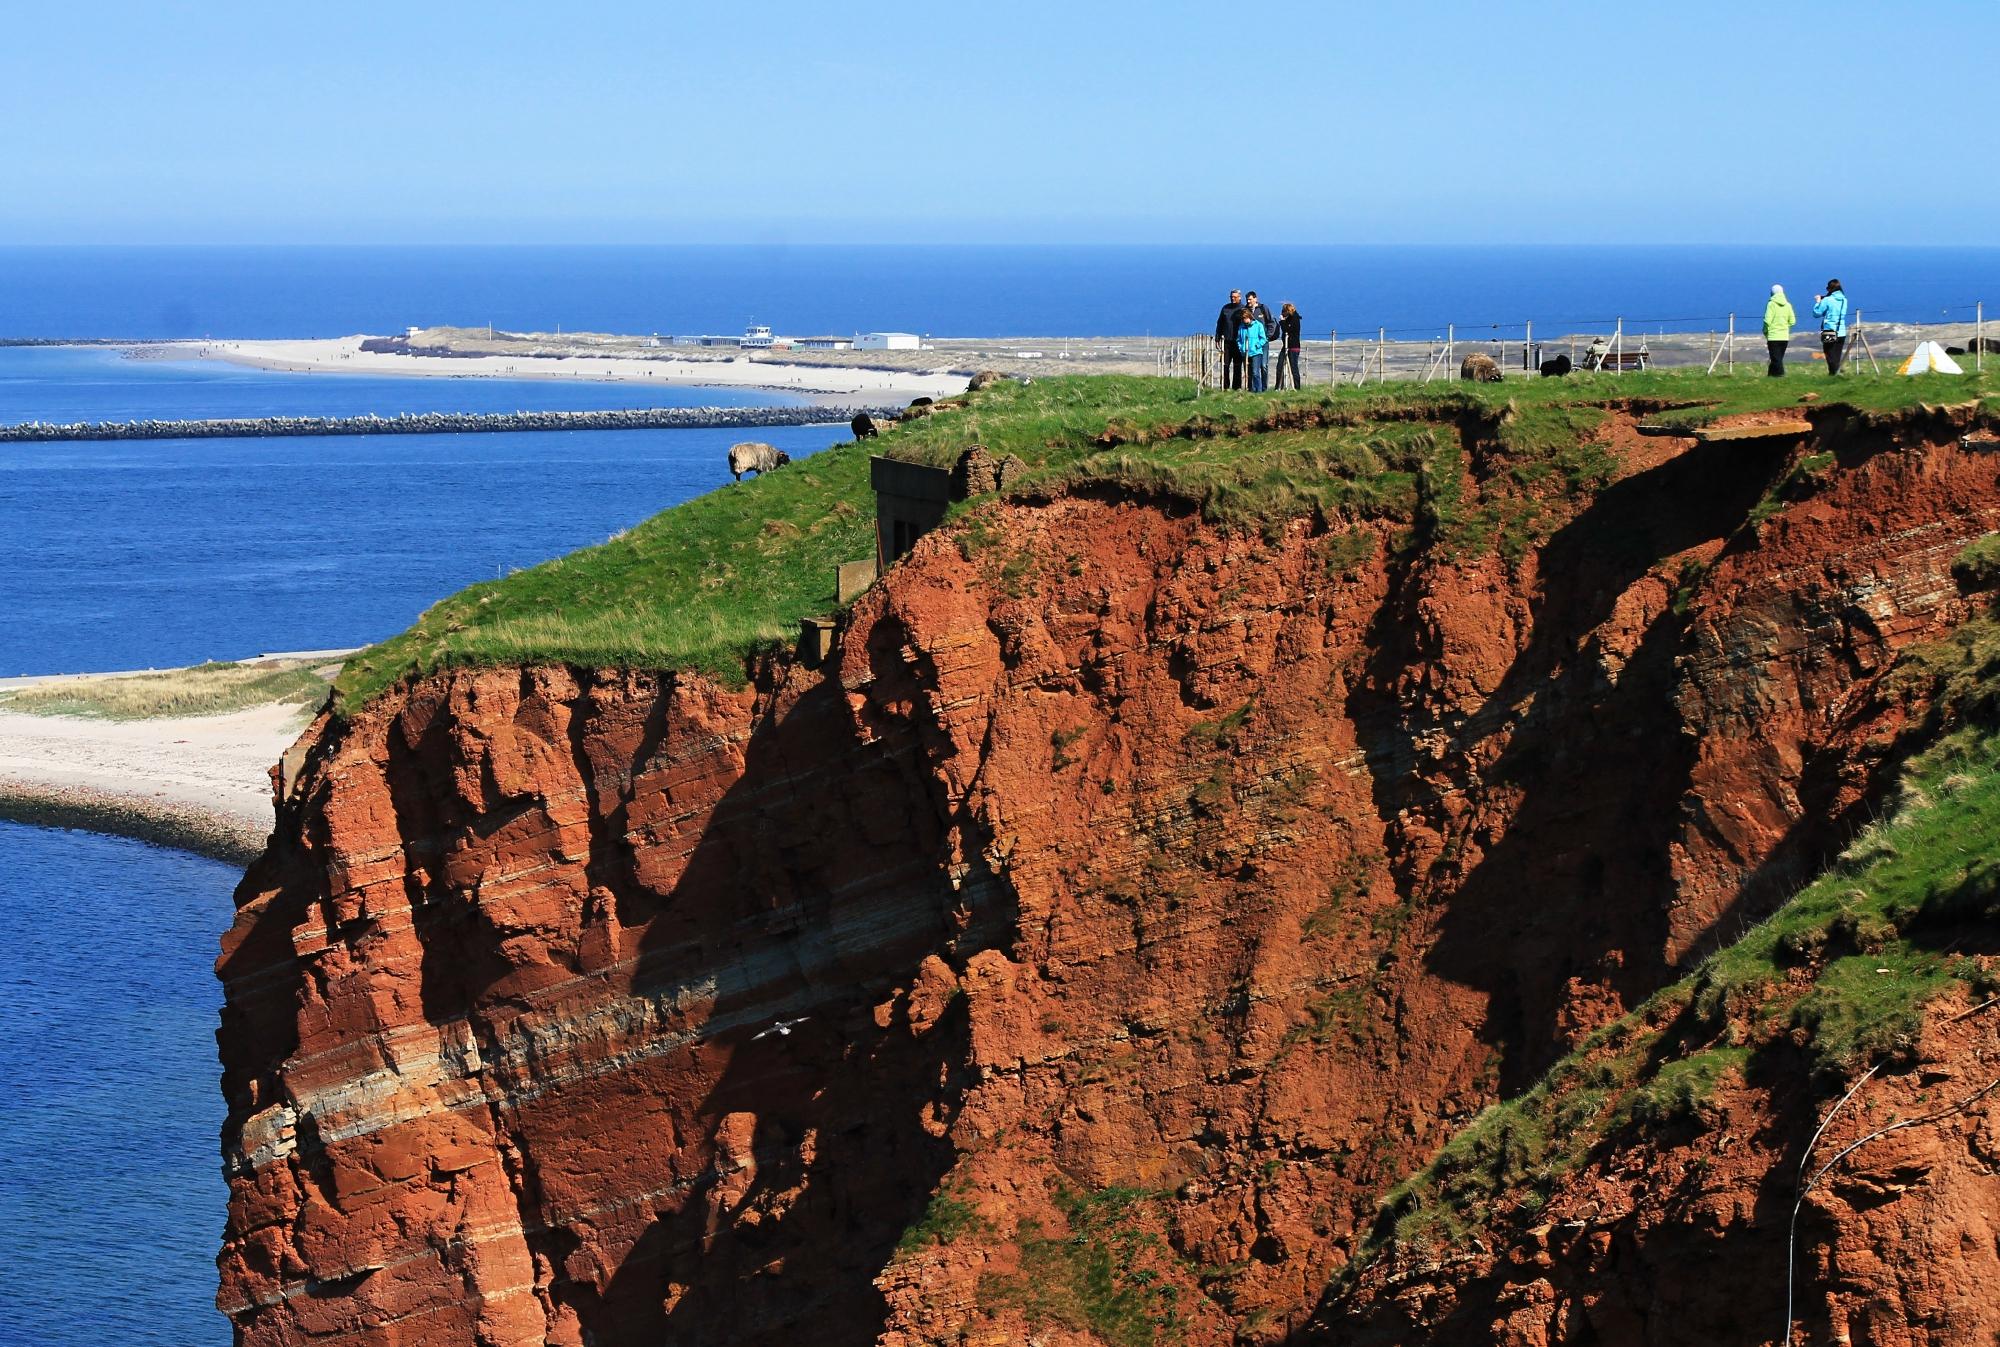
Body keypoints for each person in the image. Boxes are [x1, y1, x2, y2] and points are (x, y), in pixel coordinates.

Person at [1813, 279, 1850, 376]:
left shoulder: (1827, 300)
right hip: (1841, 331)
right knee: (1837, 355)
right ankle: (1836, 374)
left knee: (1829, 354)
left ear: (1830, 289)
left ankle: (1834, 374)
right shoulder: (1844, 300)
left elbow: (1817, 313)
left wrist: (1818, 302)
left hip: (1829, 331)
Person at [1214, 289, 1245, 390]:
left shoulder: (1243, 309)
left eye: (1235, 297)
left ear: (1239, 297)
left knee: (1237, 365)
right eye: (1231, 297)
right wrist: (1217, 338)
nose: (1233, 299)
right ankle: (1225, 387)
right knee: (1225, 365)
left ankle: (1237, 387)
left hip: (1238, 342)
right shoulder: (1225, 308)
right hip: (1226, 342)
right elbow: (1220, 323)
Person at [1762, 284, 1796, 376]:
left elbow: (1767, 320)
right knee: (1777, 358)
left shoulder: (1771, 304)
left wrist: (1765, 331)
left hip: (1773, 336)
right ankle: (1770, 376)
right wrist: (1785, 326)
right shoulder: (1788, 305)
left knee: (1776, 359)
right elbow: (1792, 321)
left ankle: (1781, 375)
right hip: (1784, 336)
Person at [1239, 306, 1269, 392]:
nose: (1244, 320)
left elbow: (1263, 338)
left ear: (1249, 317)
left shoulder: (1258, 325)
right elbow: (1239, 339)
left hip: (1256, 352)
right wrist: (1241, 347)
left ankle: (1258, 390)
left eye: (1245, 318)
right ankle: (1250, 389)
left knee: (1255, 372)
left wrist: (1257, 345)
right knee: (1248, 373)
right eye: (1243, 319)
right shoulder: (1242, 327)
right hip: (1245, 352)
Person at [1275, 302, 1303, 388]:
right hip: (1286, 346)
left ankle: (1297, 387)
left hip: (1293, 346)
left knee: (1293, 367)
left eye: (1283, 311)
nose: (1282, 313)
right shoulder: (1289, 319)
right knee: (1280, 366)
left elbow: (1287, 330)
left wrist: (1282, 322)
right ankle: (1279, 386)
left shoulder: (1294, 319)